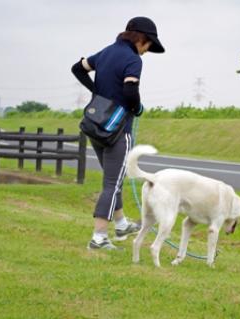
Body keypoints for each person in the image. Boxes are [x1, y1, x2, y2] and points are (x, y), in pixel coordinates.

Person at [71, 17, 165, 250]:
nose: (146, 52)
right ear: (141, 39)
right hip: (118, 131)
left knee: (113, 179)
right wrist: (138, 108)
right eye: (148, 46)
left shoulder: (105, 53)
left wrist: (97, 92)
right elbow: (130, 90)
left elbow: (77, 68)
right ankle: (99, 237)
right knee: (112, 183)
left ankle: (121, 224)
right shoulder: (133, 59)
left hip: (95, 127)